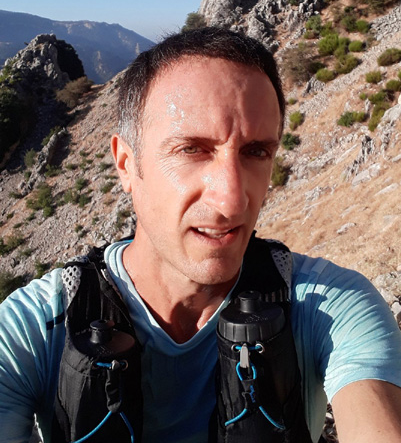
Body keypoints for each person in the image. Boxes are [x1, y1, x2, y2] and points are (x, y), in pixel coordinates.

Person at [1, 26, 401, 443]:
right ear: (126, 165)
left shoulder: (330, 307)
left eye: (256, 152)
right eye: (192, 149)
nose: (232, 200)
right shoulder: (34, 329)